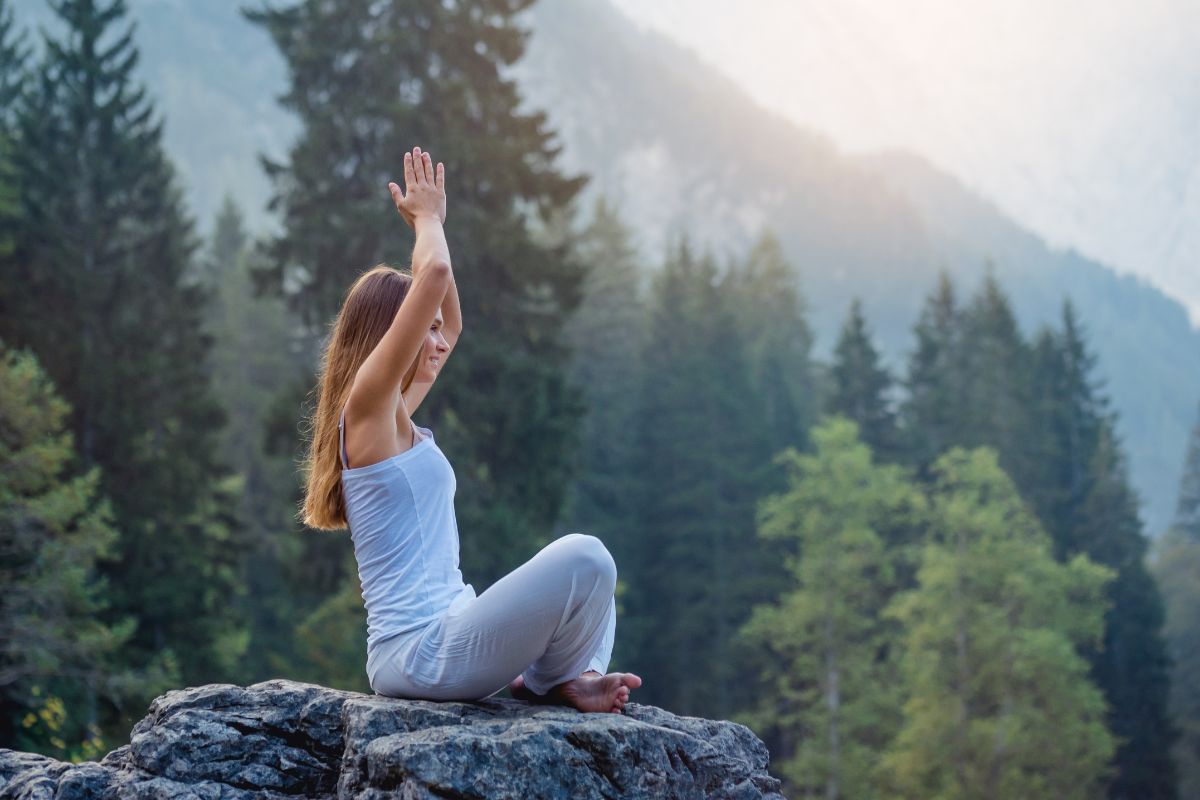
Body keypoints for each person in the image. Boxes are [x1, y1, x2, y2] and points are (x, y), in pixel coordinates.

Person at [299, 145, 642, 713]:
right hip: (416, 651)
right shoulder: (366, 412)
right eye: (422, 331)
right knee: (586, 557)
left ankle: (564, 681)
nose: (437, 342)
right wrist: (428, 222)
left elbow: (452, 320)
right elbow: (433, 274)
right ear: (392, 337)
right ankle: (550, 682)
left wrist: (430, 235)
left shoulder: (396, 412)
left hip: (452, 628)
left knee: (597, 581)